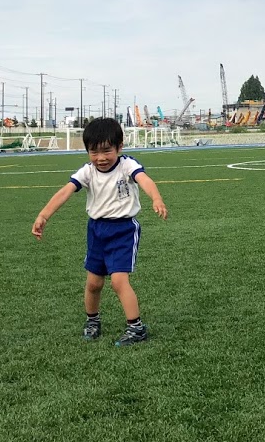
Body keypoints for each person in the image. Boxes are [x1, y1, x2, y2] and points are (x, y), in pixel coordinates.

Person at [31, 117, 167, 346]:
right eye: (93, 152)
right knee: (94, 282)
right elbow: (65, 191)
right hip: (96, 230)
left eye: (106, 151)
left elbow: (144, 180)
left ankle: (136, 328)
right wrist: (44, 214)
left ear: (119, 147)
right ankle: (92, 321)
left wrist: (156, 198)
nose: (101, 158)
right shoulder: (87, 171)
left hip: (123, 229)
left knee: (118, 281)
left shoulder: (127, 165)